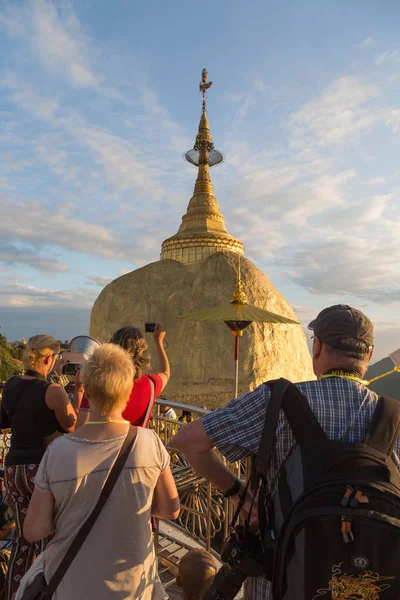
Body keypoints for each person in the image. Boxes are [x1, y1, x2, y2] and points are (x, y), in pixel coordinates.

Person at [172, 304, 400, 600]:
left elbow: (187, 441)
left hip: (280, 581)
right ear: (368, 356)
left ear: (316, 347)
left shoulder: (277, 401)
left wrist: (238, 494)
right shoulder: (393, 418)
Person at [18, 343, 180, 600]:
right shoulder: (150, 443)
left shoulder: (58, 452)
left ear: (87, 390)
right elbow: (171, 509)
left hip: (74, 584)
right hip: (134, 585)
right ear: (127, 389)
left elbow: (34, 530)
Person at [0, 335, 77, 600]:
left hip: (13, 469)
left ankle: (15, 593)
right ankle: (49, 594)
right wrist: (76, 392)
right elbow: (72, 425)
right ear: (49, 359)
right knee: (48, 538)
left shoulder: (10, 384)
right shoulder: (52, 391)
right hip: (41, 470)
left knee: (23, 537)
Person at [76, 323, 170, 427]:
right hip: (136, 442)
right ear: (140, 351)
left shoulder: (97, 382)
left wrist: (79, 390)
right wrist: (159, 343)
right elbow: (166, 373)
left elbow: (82, 424)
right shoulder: (151, 384)